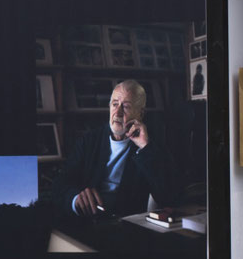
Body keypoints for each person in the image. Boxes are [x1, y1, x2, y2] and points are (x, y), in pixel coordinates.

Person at [50, 80, 171, 235]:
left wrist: (145, 147)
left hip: (125, 230)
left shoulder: (151, 145)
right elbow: (59, 184)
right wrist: (75, 199)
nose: (118, 113)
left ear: (140, 113)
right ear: (109, 107)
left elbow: (170, 196)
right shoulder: (89, 140)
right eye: (115, 104)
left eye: (126, 106)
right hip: (86, 224)